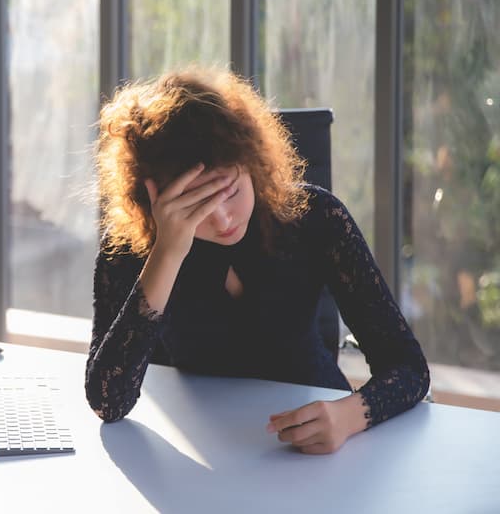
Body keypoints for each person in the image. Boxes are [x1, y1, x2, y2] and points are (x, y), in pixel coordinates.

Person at [84, 67, 430, 455]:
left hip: (320, 442)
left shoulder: (315, 217)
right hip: (209, 449)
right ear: (155, 202)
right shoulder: (134, 249)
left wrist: (350, 416)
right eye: (197, 206)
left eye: (230, 193)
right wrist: (167, 252)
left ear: (251, 163)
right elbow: (107, 402)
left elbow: (409, 367)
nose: (223, 219)